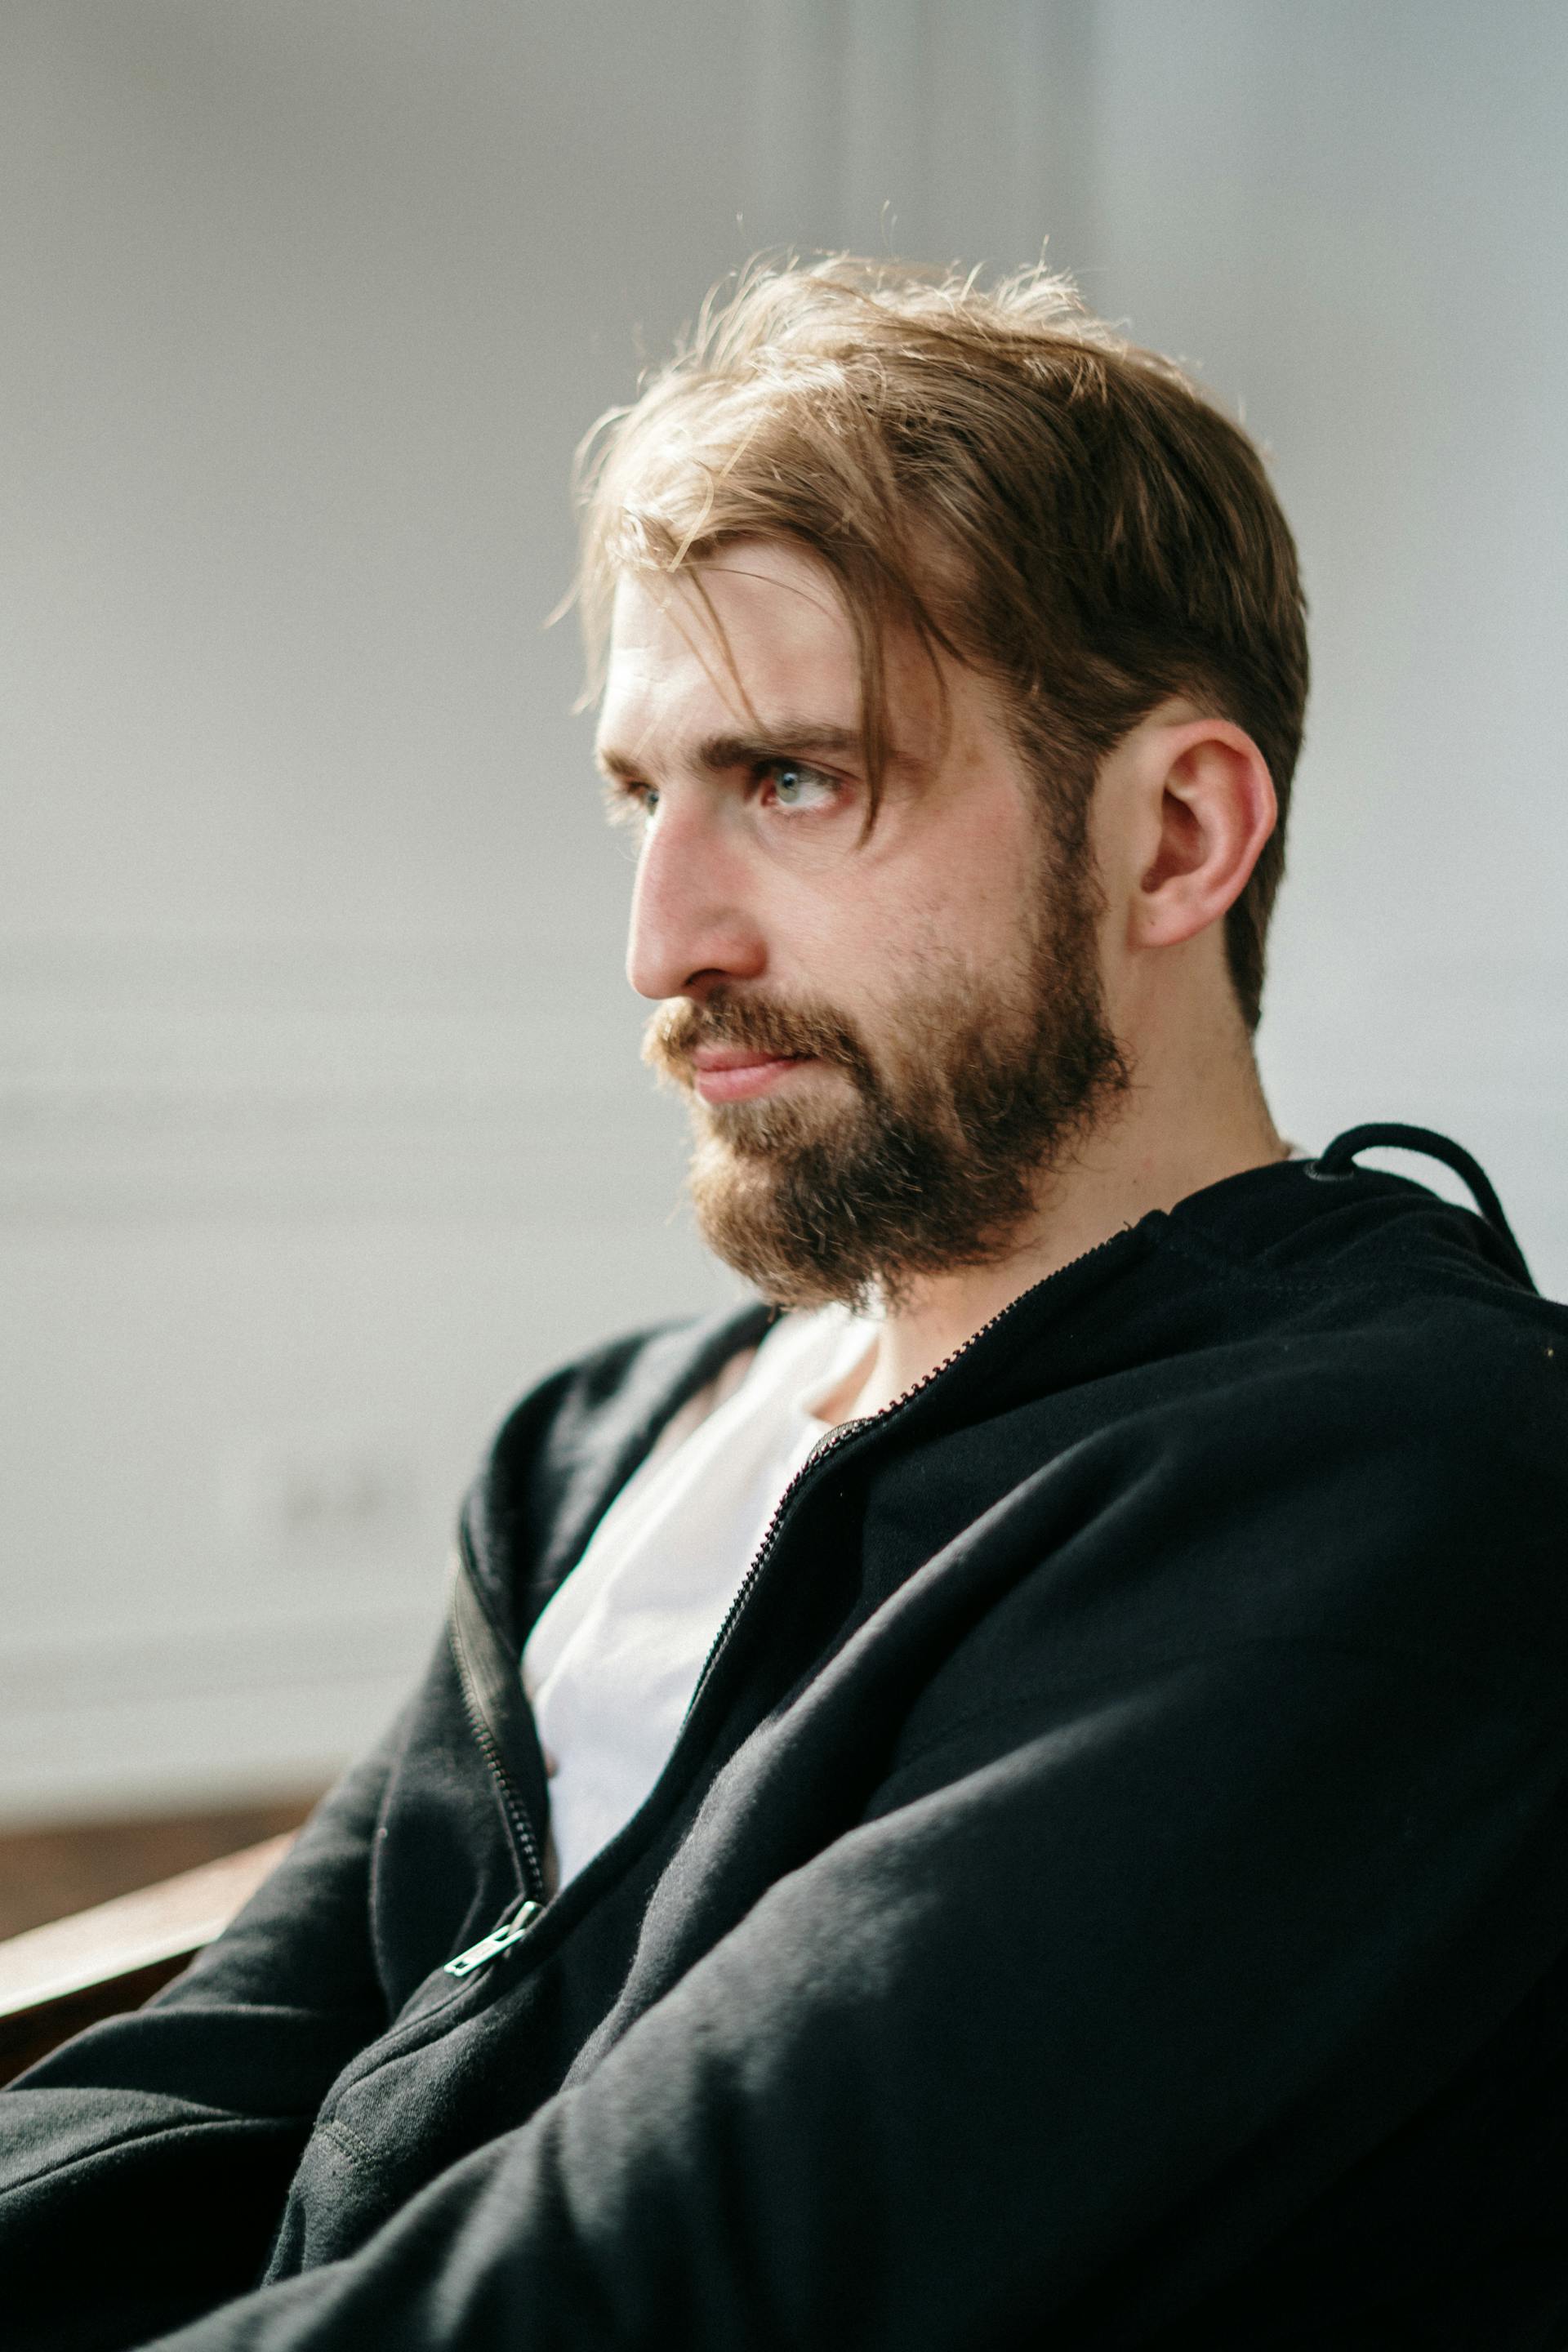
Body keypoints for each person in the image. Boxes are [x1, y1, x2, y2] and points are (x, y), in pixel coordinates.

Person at [4, 258, 1566, 2352]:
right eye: (648, 796)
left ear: (1177, 834)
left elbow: (654, 2291)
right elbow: (203, 2081)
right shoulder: (602, 1445)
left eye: (797, 781)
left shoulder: (1398, 1481)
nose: (664, 941)